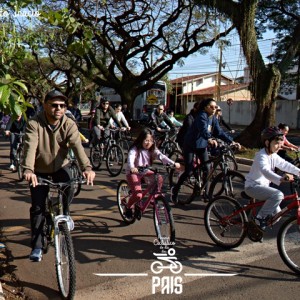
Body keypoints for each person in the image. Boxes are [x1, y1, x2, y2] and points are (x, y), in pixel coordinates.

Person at [22, 89, 95, 262]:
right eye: (54, 105)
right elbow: (30, 147)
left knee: (70, 185)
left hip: (61, 167)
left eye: (62, 106)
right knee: (38, 208)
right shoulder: (34, 123)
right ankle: (37, 246)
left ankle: (65, 212)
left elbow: (77, 146)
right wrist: (28, 170)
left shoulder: (69, 123)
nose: (58, 109)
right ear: (45, 106)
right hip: (39, 170)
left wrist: (87, 167)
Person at [170, 98, 240, 204]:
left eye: (216, 107)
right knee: (189, 170)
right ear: (205, 107)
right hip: (190, 145)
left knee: (207, 168)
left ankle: (206, 194)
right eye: (212, 107)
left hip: (201, 146)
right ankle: (175, 190)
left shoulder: (213, 118)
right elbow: (203, 129)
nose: (214, 109)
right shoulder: (201, 116)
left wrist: (232, 141)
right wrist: (209, 139)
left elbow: (219, 132)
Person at [244, 127, 300, 231]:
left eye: (280, 143)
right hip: (252, 187)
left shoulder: (273, 155)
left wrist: (298, 172)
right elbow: (265, 171)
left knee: (278, 215)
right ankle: (258, 219)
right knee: (278, 194)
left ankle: (256, 229)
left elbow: (285, 165)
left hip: (263, 188)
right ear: (267, 143)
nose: (279, 146)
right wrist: (281, 178)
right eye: (276, 143)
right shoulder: (261, 156)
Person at [125, 128, 180, 218]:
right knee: (138, 195)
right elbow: (130, 157)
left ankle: (155, 198)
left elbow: (161, 156)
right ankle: (128, 207)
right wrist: (132, 167)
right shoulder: (135, 149)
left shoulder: (152, 149)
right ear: (141, 139)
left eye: (151, 140)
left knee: (159, 178)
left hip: (145, 171)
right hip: (133, 173)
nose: (148, 143)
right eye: (146, 140)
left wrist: (172, 163)